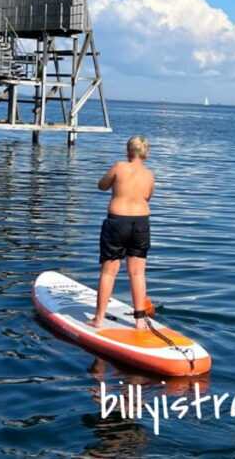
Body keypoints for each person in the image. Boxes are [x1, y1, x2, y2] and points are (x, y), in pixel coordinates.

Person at [91, 135, 155, 330]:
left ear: (127, 151)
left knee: (109, 272)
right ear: (147, 155)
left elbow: (102, 185)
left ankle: (99, 319)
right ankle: (139, 321)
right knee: (137, 274)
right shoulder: (149, 175)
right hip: (141, 224)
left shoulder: (119, 166)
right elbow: (148, 196)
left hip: (117, 222)